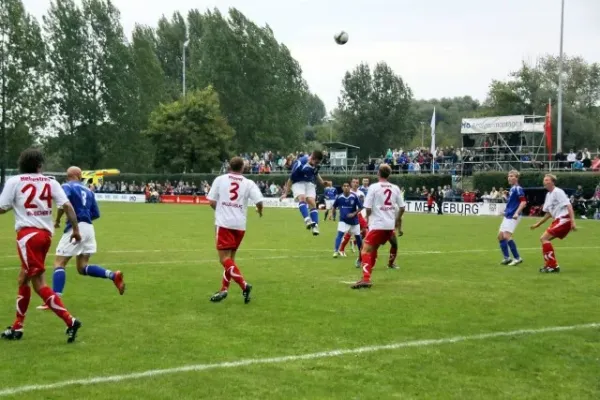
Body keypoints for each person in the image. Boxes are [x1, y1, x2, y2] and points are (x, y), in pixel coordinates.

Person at [0, 148, 82, 342]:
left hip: (28, 236)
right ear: (39, 165)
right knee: (23, 278)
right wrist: (76, 230)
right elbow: (67, 206)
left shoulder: (14, 181)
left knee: (38, 284)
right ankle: (17, 327)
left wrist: (14, 206)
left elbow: (1, 208)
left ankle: (70, 321)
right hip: (45, 235)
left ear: (21, 164)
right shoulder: (50, 181)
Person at [36, 167, 125, 311]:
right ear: (79, 175)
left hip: (75, 227)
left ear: (68, 176)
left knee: (59, 262)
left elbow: (63, 204)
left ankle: (54, 301)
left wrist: (58, 220)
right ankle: (113, 275)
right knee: (82, 267)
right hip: (89, 228)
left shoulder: (66, 186)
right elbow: (96, 213)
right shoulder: (89, 191)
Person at [207, 157, 263, 303]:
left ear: (229, 166)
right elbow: (259, 202)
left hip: (224, 223)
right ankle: (224, 289)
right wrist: (260, 211)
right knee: (231, 260)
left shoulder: (220, 179)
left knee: (224, 259)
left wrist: (220, 211)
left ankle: (244, 285)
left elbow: (212, 201)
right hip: (240, 225)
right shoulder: (248, 183)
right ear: (242, 168)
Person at [352, 164, 405, 289]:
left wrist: (367, 218)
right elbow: (402, 208)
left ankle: (366, 279)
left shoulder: (374, 187)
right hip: (389, 226)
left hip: (378, 225)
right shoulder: (395, 188)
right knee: (373, 249)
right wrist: (396, 221)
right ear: (389, 175)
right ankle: (367, 274)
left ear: (378, 174)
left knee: (365, 250)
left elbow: (368, 208)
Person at [530, 174, 576, 273]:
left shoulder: (558, 192)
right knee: (544, 240)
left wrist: (572, 221)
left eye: (547, 180)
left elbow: (569, 206)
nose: (544, 182)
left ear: (552, 182)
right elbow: (549, 213)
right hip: (558, 220)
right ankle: (549, 265)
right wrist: (538, 224)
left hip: (564, 219)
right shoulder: (548, 195)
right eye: (544, 180)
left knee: (544, 238)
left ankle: (553, 266)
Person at [280, 150, 327, 236]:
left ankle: (315, 226)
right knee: (302, 198)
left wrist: (323, 182)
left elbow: (316, 174)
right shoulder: (299, 164)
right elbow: (290, 179)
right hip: (297, 182)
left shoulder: (316, 165)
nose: (317, 164)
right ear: (312, 158)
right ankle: (307, 220)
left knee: (312, 202)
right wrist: (286, 193)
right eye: (316, 162)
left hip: (309, 183)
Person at [498, 170, 527, 266]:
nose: (509, 178)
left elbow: (523, 202)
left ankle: (517, 258)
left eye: (511, 176)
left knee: (507, 236)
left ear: (516, 178)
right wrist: (505, 210)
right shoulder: (512, 189)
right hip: (508, 215)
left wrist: (516, 213)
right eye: (508, 176)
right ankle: (507, 258)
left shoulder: (518, 188)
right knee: (500, 236)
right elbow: (512, 203)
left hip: (513, 216)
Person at [332, 183, 363, 258]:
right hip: (343, 220)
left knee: (358, 237)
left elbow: (360, 207)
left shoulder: (354, 196)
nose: (346, 187)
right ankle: (336, 251)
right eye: (344, 186)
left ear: (350, 187)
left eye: (347, 186)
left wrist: (354, 213)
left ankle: (361, 252)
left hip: (354, 220)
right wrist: (334, 216)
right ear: (342, 188)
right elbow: (334, 207)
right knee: (340, 234)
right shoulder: (339, 197)